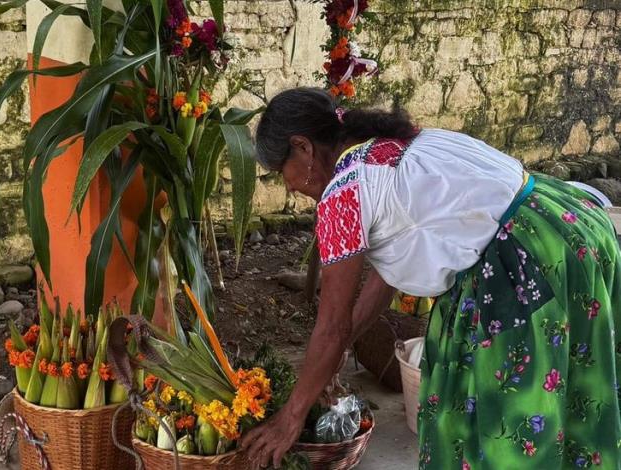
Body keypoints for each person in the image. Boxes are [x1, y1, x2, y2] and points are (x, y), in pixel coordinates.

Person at [241, 87, 621, 469]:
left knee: (507, 419)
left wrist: (289, 418)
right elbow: (384, 278)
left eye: (281, 172)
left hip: (524, 263)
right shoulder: (390, 143)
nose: (289, 186)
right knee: (577, 389)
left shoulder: (343, 194)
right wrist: (335, 356)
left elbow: (331, 327)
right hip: (568, 228)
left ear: (302, 147)